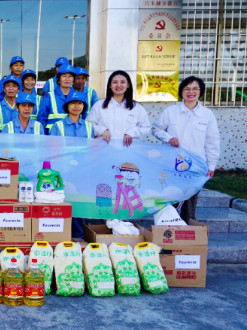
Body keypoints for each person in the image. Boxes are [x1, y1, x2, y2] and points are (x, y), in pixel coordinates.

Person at [152, 76, 220, 223]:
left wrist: (211, 165)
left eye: (195, 88)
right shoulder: (171, 112)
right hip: (171, 164)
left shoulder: (207, 115)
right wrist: (169, 138)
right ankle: (167, 230)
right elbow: (156, 129)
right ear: (181, 91)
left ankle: (188, 233)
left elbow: (212, 142)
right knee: (171, 199)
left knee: (190, 202)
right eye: (187, 88)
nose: (191, 92)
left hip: (196, 166)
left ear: (200, 91)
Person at [49, 90, 93, 239]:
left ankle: (78, 236)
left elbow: (91, 150)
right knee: (61, 204)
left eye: (80, 103)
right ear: (67, 106)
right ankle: (59, 235)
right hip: (63, 172)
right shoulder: (58, 126)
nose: (76, 106)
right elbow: (53, 151)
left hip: (82, 172)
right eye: (73, 103)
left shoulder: (88, 127)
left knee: (78, 204)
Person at [86, 70, 151, 147]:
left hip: (129, 151)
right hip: (104, 150)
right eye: (115, 82)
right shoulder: (99, 106)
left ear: (128, 85)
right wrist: (102, 130)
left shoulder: (137, 107)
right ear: (110, 85)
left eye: (123, 82)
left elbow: (145, 127)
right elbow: (88, 125)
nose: (119, 85)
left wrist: (132, 133)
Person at [37, 63, 77, 134]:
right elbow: (42, 120)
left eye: (70, 76)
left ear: (73, 79)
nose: (67, 79)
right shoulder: (49, 96)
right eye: (64, 76)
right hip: (53, 139)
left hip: (73, 138)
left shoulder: (78, 97)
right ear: (58, 79)